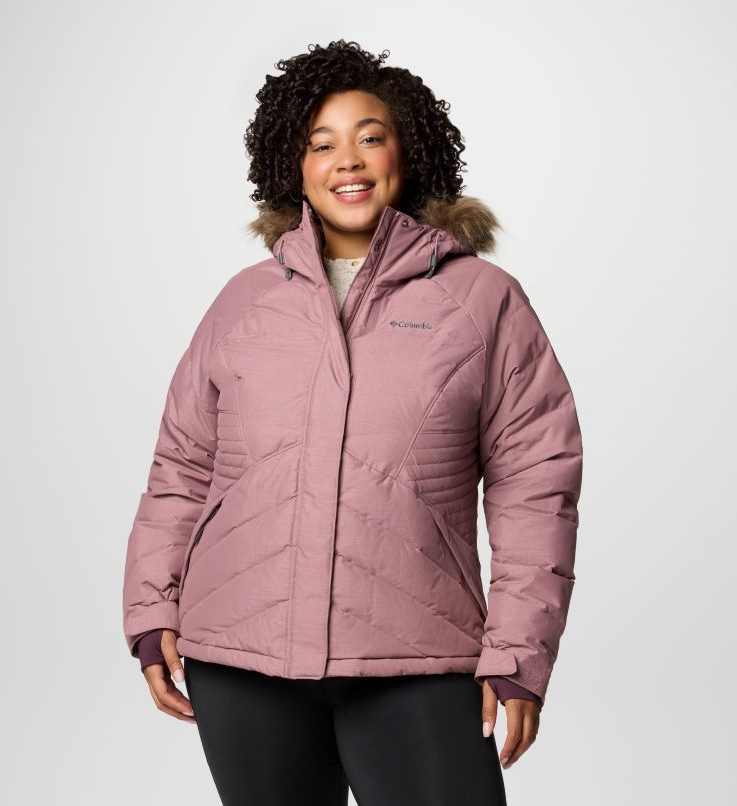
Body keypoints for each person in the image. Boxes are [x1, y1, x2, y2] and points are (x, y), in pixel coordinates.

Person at [122, 39, 583, 806]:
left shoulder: (483, 300)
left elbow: (535, 486)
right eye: (322, 143)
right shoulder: (243, 302)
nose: (348, 161)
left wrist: (518, 651)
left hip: (420, 657)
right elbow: (182, 467)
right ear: (293, 166)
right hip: (240, 659)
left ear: (409, 152)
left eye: (370, 137)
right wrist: (150, 607)